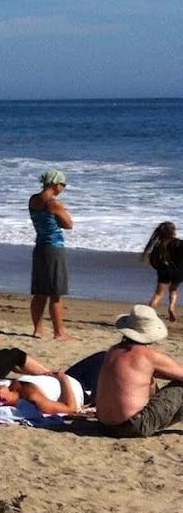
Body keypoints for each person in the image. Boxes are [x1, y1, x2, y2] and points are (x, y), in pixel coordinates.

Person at [95, 306, 183, 438]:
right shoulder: (148, 355)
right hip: (132, 425)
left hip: (103, 425)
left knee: (150, 378)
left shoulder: (112, 351)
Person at [29, 169, 74, 340]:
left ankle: (37, 330)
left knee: (40, 292)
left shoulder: (33, 200)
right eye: (63, 184)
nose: (63, 188)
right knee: (56, 293)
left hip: (40, 245)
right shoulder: (54, 203)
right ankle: (59, 332)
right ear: (56, 184)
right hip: (54, 248)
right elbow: (69, 224)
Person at [141, 222, 181, 320]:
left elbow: (153, 260)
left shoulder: (158, 244)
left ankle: (147, 316)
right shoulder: (179, 242)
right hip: (178, 270)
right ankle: (171, 307)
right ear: (173, 231)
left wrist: (158, 268)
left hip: (163, 270)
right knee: (173, 289)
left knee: (158, 294)